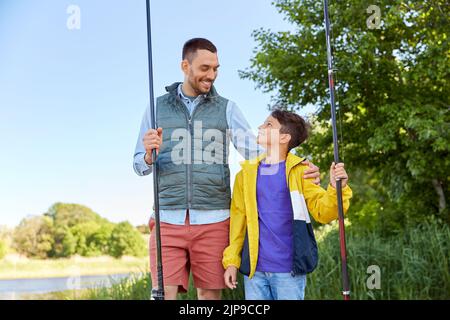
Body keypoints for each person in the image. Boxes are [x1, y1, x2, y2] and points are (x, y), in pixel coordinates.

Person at [133, 38, 322, 300]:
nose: (211, 75)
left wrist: (297, 165)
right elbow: (138, 165)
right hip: (167, 218)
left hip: (214, 220)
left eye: (216, 69)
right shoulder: (156, 107)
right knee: (162, 296)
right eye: (205, 68)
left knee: (209, 299)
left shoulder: (227, 108)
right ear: (185, 65)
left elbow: (261, 154)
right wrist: (148, 157)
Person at [222, 109, 353, 300]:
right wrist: (232, 261)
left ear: (284, 137)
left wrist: (336, 188)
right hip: (255, 272)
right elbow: (238, 221)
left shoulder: (301, 172)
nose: (260, 127)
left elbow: (324, 212)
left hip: (288, 272)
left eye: (268, 125)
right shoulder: (245, 175)